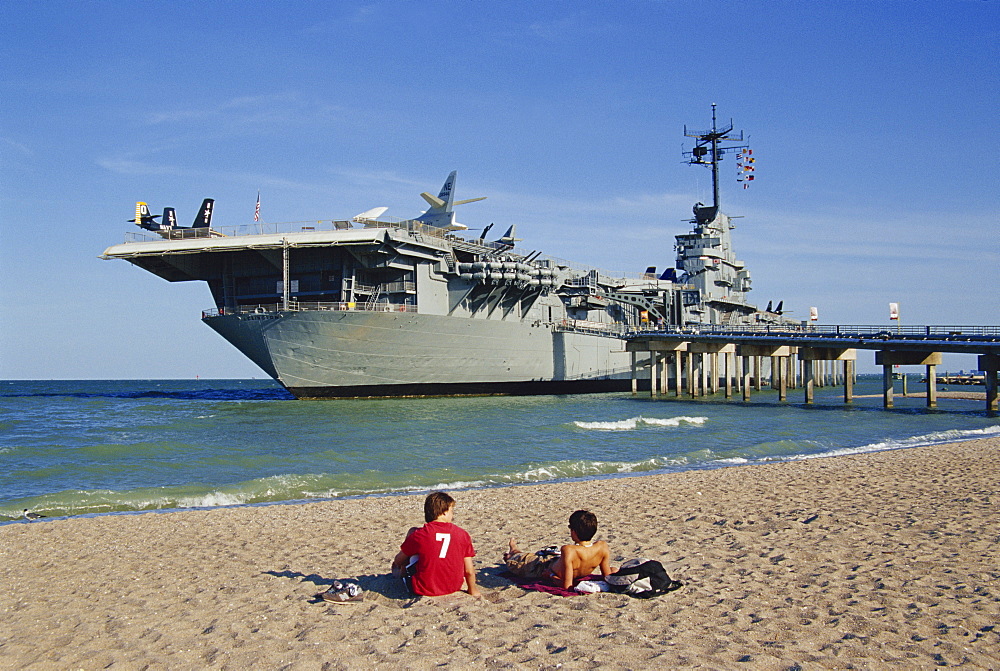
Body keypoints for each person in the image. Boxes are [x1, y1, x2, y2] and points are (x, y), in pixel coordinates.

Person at [391, 491, 481, 598]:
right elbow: (469, 571)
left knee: (412, 535)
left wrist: (399, 565)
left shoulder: (419, 535)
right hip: (454, 587)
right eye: (451, 511)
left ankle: (401, 574)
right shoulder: (463, 534)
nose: (452, 515)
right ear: (444, 512)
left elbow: (398, 560)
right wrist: (472, 590)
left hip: (423, 588)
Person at [504, 510, 613, 590]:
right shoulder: (602, 547)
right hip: (554, 560)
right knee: (528, 556)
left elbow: (566, 585)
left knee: (515, 559)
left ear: (574, 531)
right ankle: (513, 550)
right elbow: (607, 577)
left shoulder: (569, 550)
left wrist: (550, 576)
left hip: (541, 566)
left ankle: (513, 549)